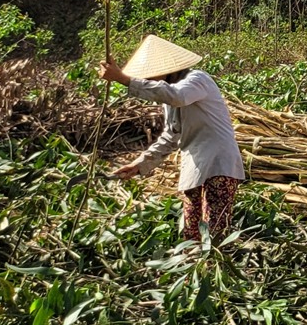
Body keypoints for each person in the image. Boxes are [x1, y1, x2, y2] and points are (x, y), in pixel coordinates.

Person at [99, 35, 247, 242]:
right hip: (194, 169)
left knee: (214, 236)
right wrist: (139, 164)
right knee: (191, 235)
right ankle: (194, 270)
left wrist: (125, 80)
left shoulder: (197, 80)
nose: (148, 80)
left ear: (167, 69)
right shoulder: (169, 99)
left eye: (151, 76)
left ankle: (214, 270)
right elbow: (171, 136)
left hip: (218, 165)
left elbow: (178, 96)